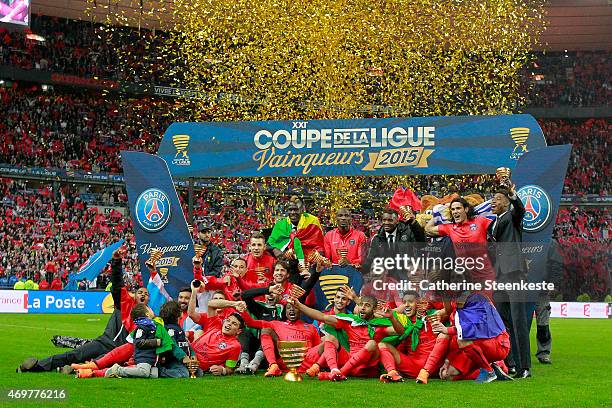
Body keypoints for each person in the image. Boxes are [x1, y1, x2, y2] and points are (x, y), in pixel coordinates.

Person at [18, 247, 150, 373]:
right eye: (140, 292)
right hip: (104, 342)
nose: (143, 295)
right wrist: (116, 262)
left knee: (99, 363)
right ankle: (37, 365)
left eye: (146, 294)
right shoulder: (125, 303)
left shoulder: (149, 318)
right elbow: (117, 285)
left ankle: (72, 369)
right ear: (134, 295)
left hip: (120, 350)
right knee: (74, 354)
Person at [293, 293, 393, 381]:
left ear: (374, 309)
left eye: (366, 306)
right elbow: (322, 317)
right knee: (330, 338)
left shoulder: (380, 324)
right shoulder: (350, 320)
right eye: (361, 305)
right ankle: (334, 370)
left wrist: (392, 317)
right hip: (348, 361)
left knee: (375, 344)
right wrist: (299, 305)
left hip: (366, 367)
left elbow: (401, 331)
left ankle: (339, 372)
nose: (362, 308)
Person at [488, 185, 531, 378]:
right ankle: (510, 363)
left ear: (506, 202)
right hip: (499, 276)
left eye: (497, 199)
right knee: (503, 322)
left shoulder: (513, 217)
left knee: (518, 320)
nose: (493, 202)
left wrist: (513, 195)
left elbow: (521, 210)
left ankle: (525, 367)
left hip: (514, 274)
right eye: (492, 199)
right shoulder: (492, 224)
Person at [432, 293, 513, 383]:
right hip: (476, 347)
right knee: (446, 374)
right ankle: (492, 369)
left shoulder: (478, 300)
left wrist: (447, 330)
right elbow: (457, 335)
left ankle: (489, 370)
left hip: (497, 344)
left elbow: (472, 329)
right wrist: (448, 360)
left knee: (463, 339)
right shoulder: (458, 309)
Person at [425, 197, 495, 288]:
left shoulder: (480, 221)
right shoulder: (450, 228)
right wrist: (437, 214)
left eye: (458, 208)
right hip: (465, 281)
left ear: (466, 209)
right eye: (452, 209)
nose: (455, 211)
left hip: (486, 278)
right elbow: (428, 230)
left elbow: (499, 226)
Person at [240, 302, 322, 377]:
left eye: (295, 307)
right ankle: (273, 366)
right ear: (285, 312)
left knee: (328, 341)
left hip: (306, 360)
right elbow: (251, 323)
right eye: (288, 307)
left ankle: (319, 367)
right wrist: (243, 311)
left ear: (301, 311)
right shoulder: (276, 324)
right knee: (266, 329)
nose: (292, 309)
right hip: (285, 359)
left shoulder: (311, 327)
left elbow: (317, 349)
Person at [377, 291, 441, 383]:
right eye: (404, 302)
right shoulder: (403, 320)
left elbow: (446, 311)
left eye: (410, 302)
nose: (406, 305)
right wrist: (392, 317)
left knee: (444, 336)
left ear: (418, 303)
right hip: (412, 366)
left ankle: (425, 371)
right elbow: (376, 315)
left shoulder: (430, 315)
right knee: (382, 345)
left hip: (431, 368)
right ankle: (392, 372)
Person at [364, 207, 425, 281]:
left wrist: (414, 224)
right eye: (384, 220)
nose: (386, 223)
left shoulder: (408, 233)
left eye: (390, 220)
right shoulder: (377, 238)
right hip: (385, 279)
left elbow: (422, 244)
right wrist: (362, 272)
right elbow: (370, 259)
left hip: (406, 277)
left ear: (397, 221)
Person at [267, 196, 324, 265]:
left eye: (296, 209)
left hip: (309, 264)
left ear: (302, 210)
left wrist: (317, 260)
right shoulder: (281, 225)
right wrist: (274, 249)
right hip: (287, 266)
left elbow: (320, 246)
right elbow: (268, 245)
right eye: (290, 210)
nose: (293, 212)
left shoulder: (312, 222)